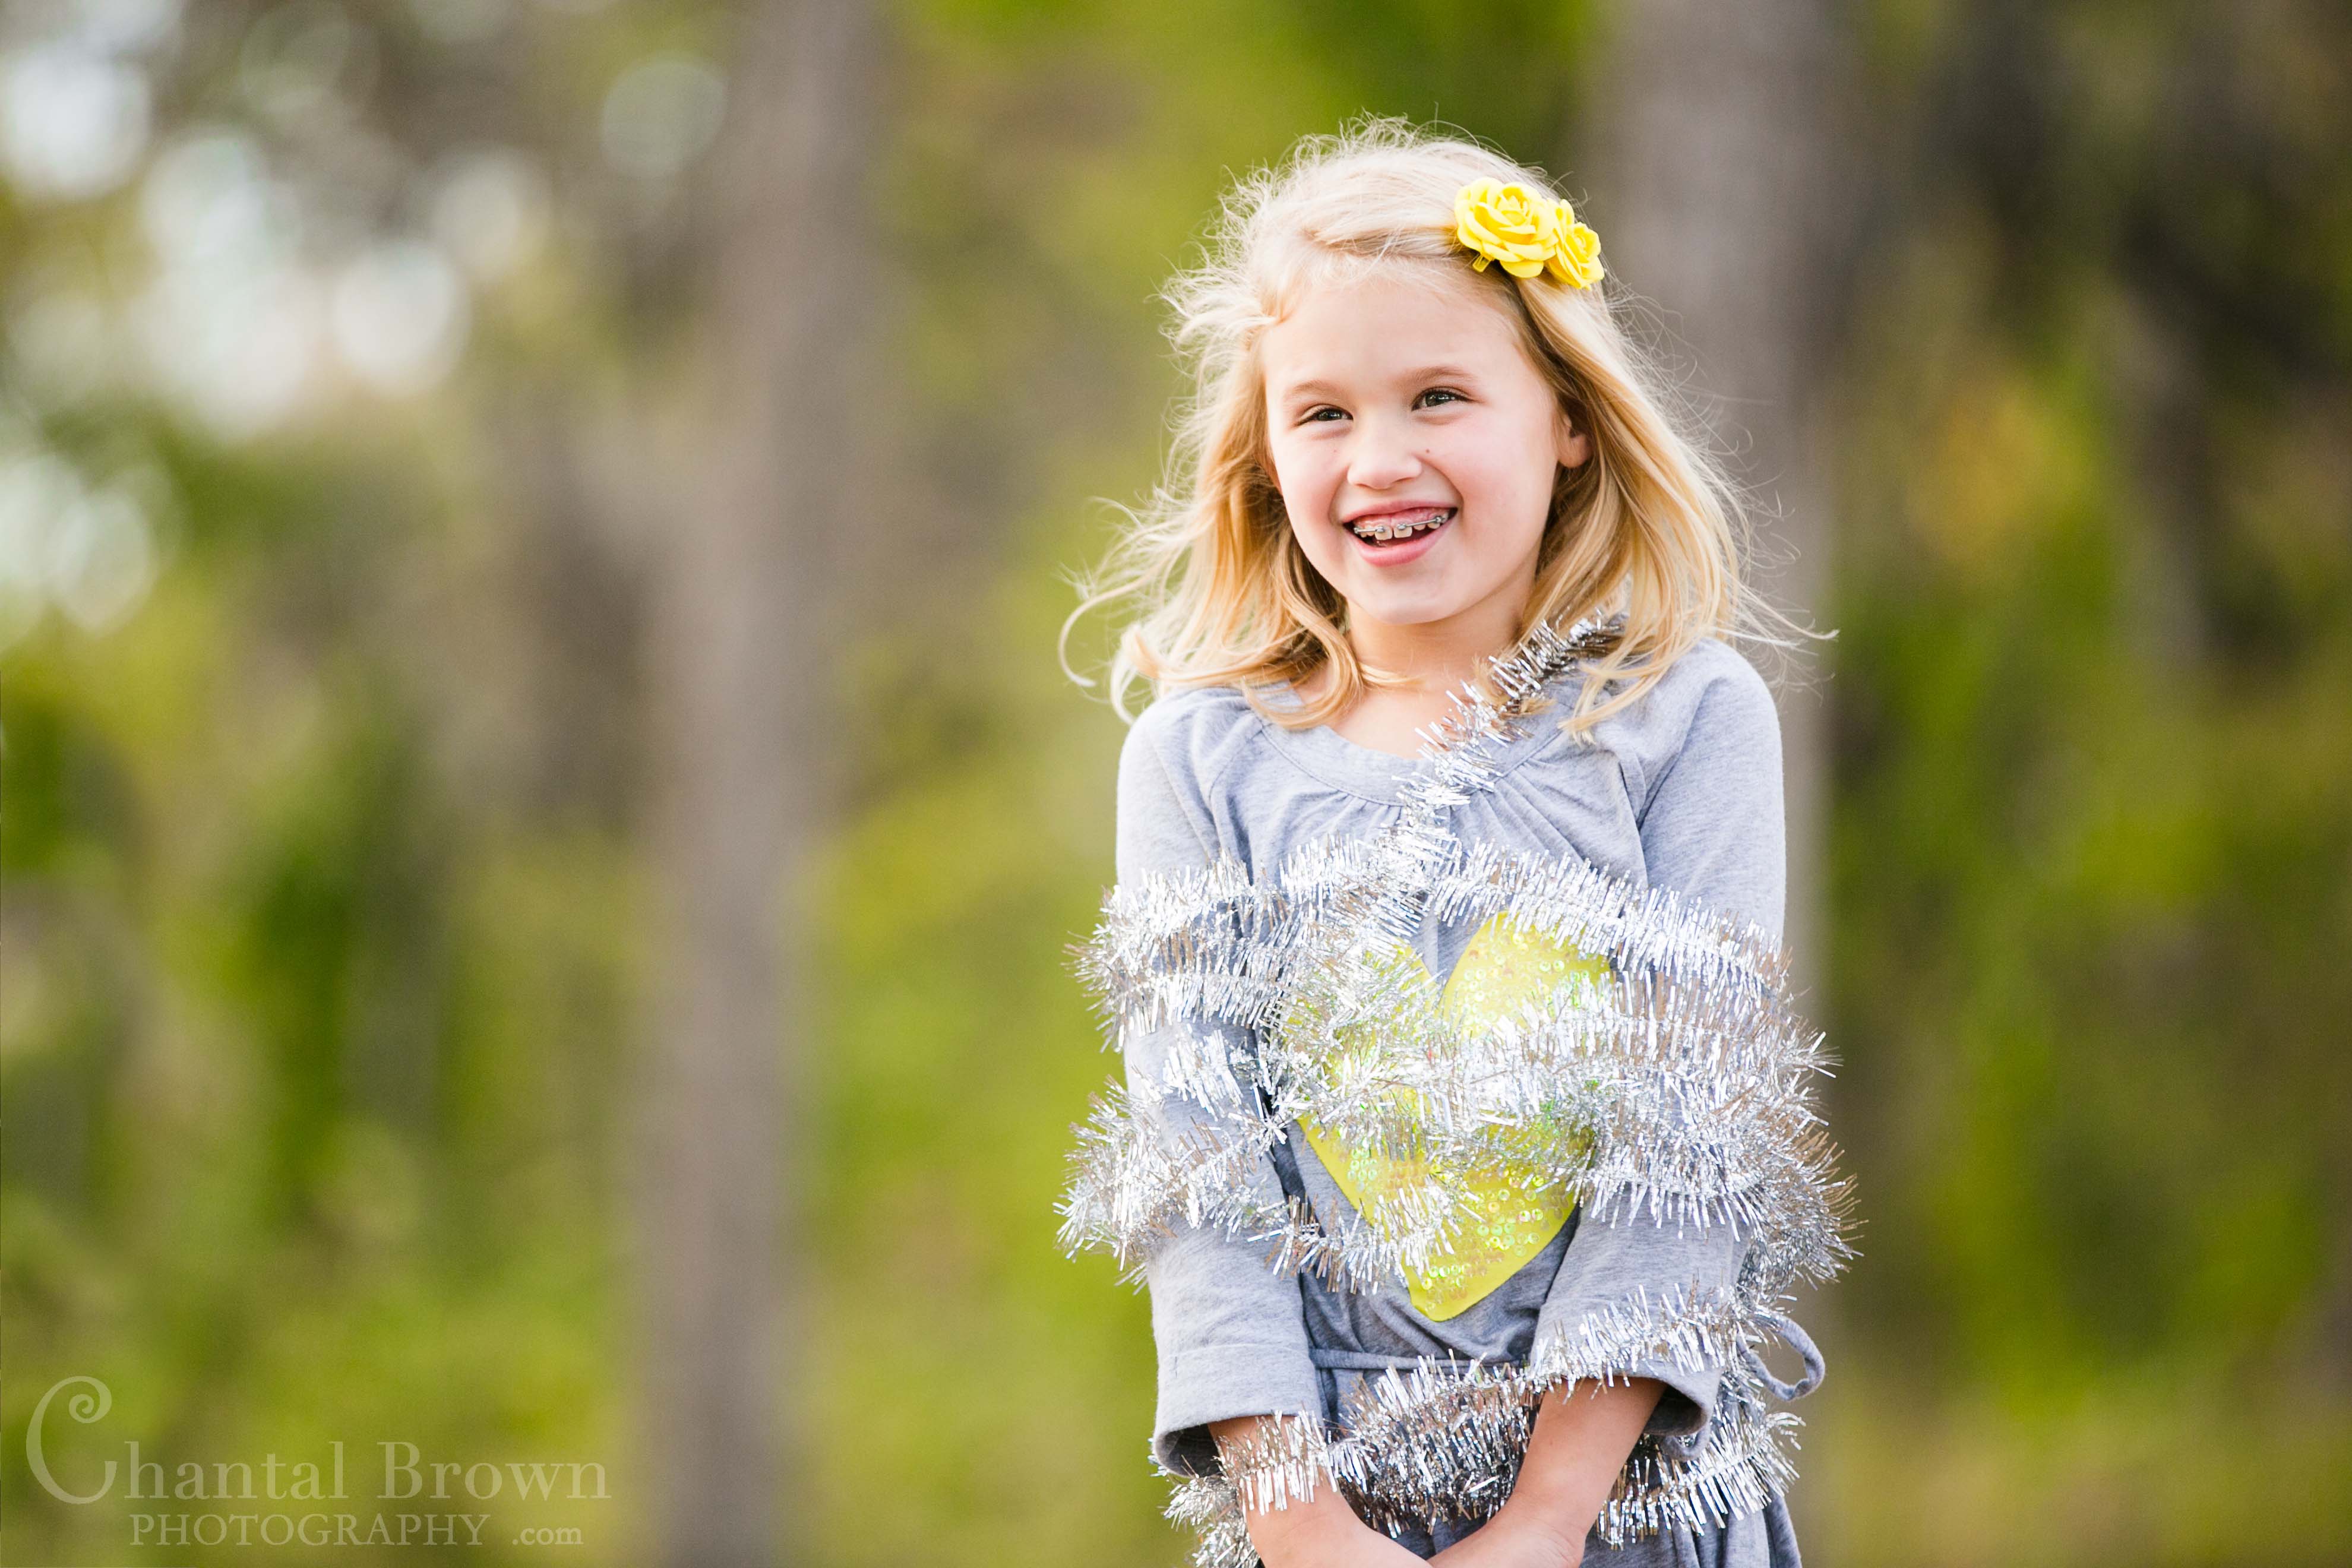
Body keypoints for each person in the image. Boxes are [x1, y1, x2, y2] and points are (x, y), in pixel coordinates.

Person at [1054, 115, 1853, 1568]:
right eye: (1324, 414)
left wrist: (1550, 1521)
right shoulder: (1200, 758)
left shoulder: (1684, 726)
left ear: (1565, 417)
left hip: (1626, 1502)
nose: (1380, 461)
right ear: (1263, 453)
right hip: (1319, 1502)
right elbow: (1198, 1170)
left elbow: (1690, 1146)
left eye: (1437, 395)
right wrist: (1295, 1519)